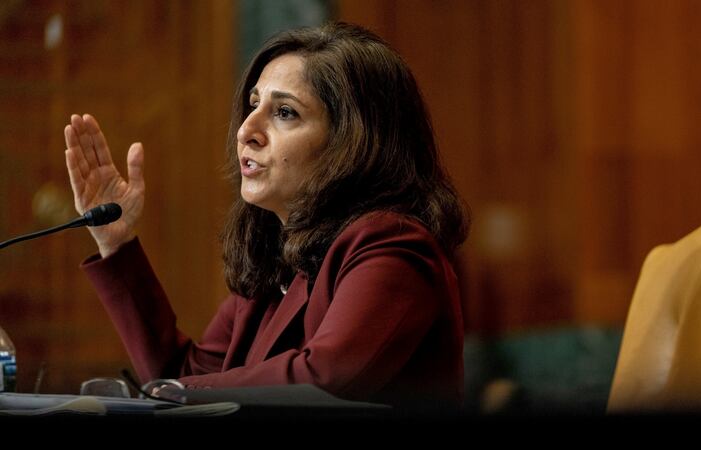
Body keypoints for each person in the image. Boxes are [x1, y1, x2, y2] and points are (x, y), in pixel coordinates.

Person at [62, 22, 469, 410]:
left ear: (353, 142)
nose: (246, 129)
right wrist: (115, 241)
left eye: (285, 112)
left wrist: (169, 390)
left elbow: (326, 377)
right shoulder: (277, 260)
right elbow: (184, 378)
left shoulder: (393, 244)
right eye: (253, 104)